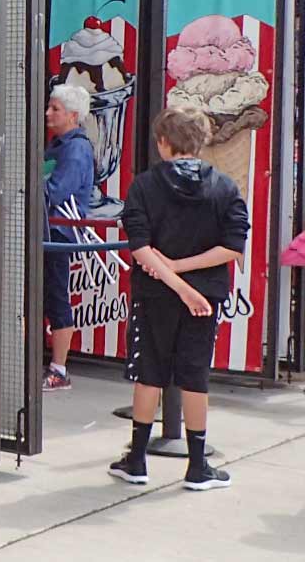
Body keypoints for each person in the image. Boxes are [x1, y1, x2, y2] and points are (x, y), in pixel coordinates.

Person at [108, 107, 249, 492]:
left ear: (163, 143)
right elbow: (233, 245)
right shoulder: (224, 187)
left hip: (155, 293)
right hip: (206, 296)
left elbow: (140, 247)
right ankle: (198, 465)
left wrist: (174, 278)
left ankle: (136, 459)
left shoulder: (143, 186)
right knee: (195, 376)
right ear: (201, 142)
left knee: (148, 371)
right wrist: (189, 279)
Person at [42, 83, 95, 391]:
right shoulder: (59, 144)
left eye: (55, 109)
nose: (48, 113)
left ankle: (59, 369)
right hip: (49, 230)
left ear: (73, 115)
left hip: (59, 233)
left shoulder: (75, 148)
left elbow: (58, 190)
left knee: (57, 297)